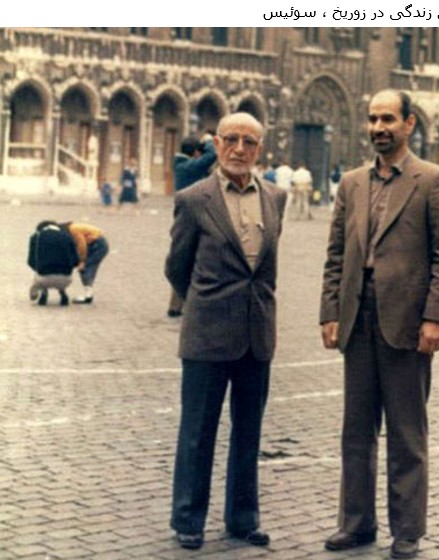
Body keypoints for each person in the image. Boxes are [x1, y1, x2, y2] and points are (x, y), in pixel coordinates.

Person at [319, 89, 439, 560]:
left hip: (406, 323)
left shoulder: (432, 180)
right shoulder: (353, 183)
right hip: (357, 318)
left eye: (388, 119)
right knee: (356, 431)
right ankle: (356, 524)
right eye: (373, 119)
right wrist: (330, 311)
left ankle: (407, 530)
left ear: (409, 124)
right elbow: (336, 254)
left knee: (406, 434)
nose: (378, 128)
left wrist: (435, 318)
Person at [165, 112, 287, 551]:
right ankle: (188, 519)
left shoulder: (276, 197)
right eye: (231, 139)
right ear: (216, 144)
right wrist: (207, 303)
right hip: (208, 333)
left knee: (248, 431)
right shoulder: (194, 199)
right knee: (197, 432)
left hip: (257, 333)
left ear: (259, 149)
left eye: (249, 142)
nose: (239, 149)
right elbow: (177, 268)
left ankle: (243, 518)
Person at [167, 133, 217, 318]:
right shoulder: (188, 167)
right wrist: (209, 141)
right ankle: (187, 303)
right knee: (192, 260)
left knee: (183, 259)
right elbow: (212, 155)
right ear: (196, 152)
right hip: (194, 219)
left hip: (187, 217)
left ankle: (176, 305)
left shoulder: (182, 165)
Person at [27, 221, 79, 306]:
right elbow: (76, 260)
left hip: (44, 277)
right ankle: (62, 291)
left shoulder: (36, 236)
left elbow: (31, 261)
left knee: (38, 275)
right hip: (66, 278)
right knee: (60, 274)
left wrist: (40, 267)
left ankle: (43, 292)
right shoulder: (68, 236)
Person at [60, 222, 109, 304]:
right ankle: (88, 293)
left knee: (85, 267)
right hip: (98, 242)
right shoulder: (74, 227)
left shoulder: (73, 231)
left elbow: (81, 244)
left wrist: (82, 261)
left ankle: (88, 296)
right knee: (87, 267)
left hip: (97, 244)